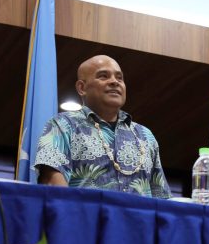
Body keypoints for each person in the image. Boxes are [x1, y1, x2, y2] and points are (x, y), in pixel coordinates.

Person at [34, 55, 170, 198]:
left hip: (140, 220)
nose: (114, 82)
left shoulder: (145, 135)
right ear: (82, 88)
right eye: (103, 76)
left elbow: (162, 197)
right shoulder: (63, 125)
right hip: (85, 219)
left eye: (119, 78)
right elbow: (51, 182)